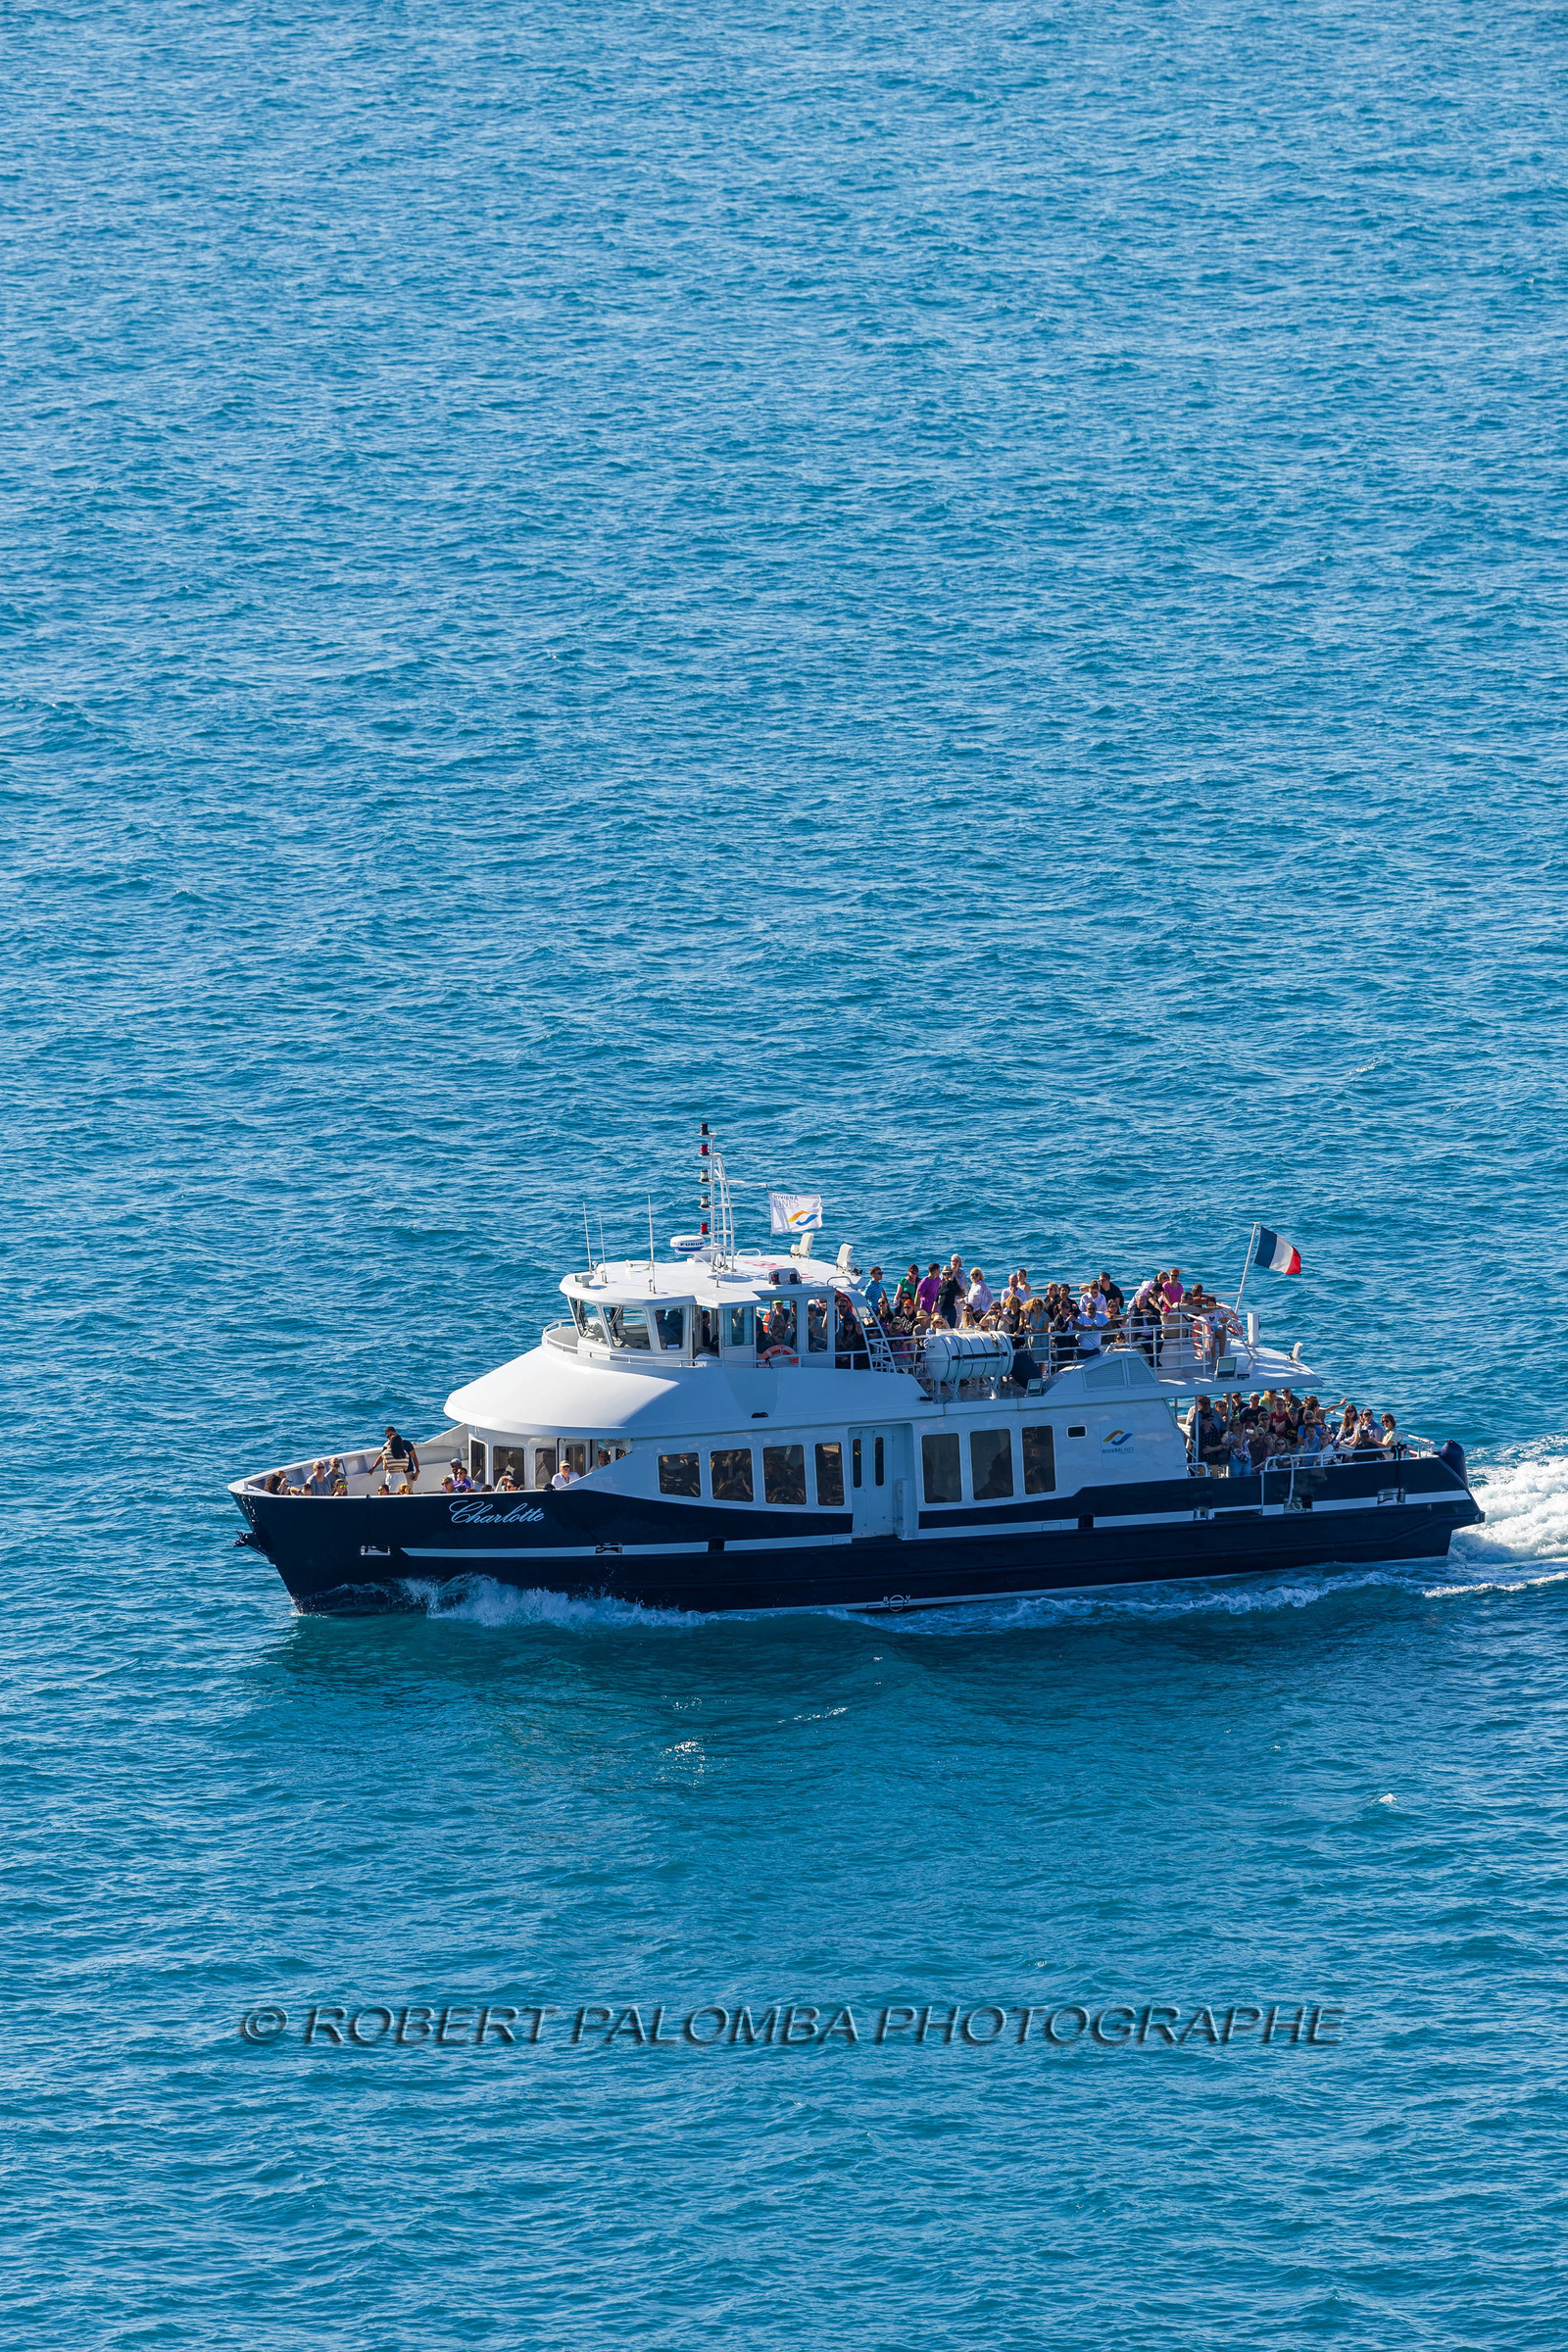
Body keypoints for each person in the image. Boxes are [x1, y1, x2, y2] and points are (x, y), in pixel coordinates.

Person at [368, 1426, 419, 1494]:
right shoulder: (387, 1445)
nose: (389, 1437)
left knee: (405, 1493)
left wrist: (417, 1472)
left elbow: (414, 1458)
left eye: (391, 1435)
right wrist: (374, 1467)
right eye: (387, 1436)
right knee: (404, 1494)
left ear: (395, 1433)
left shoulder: (406, 1444)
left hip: (407, 1473)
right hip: (402, 1474)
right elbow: (381, 1457)